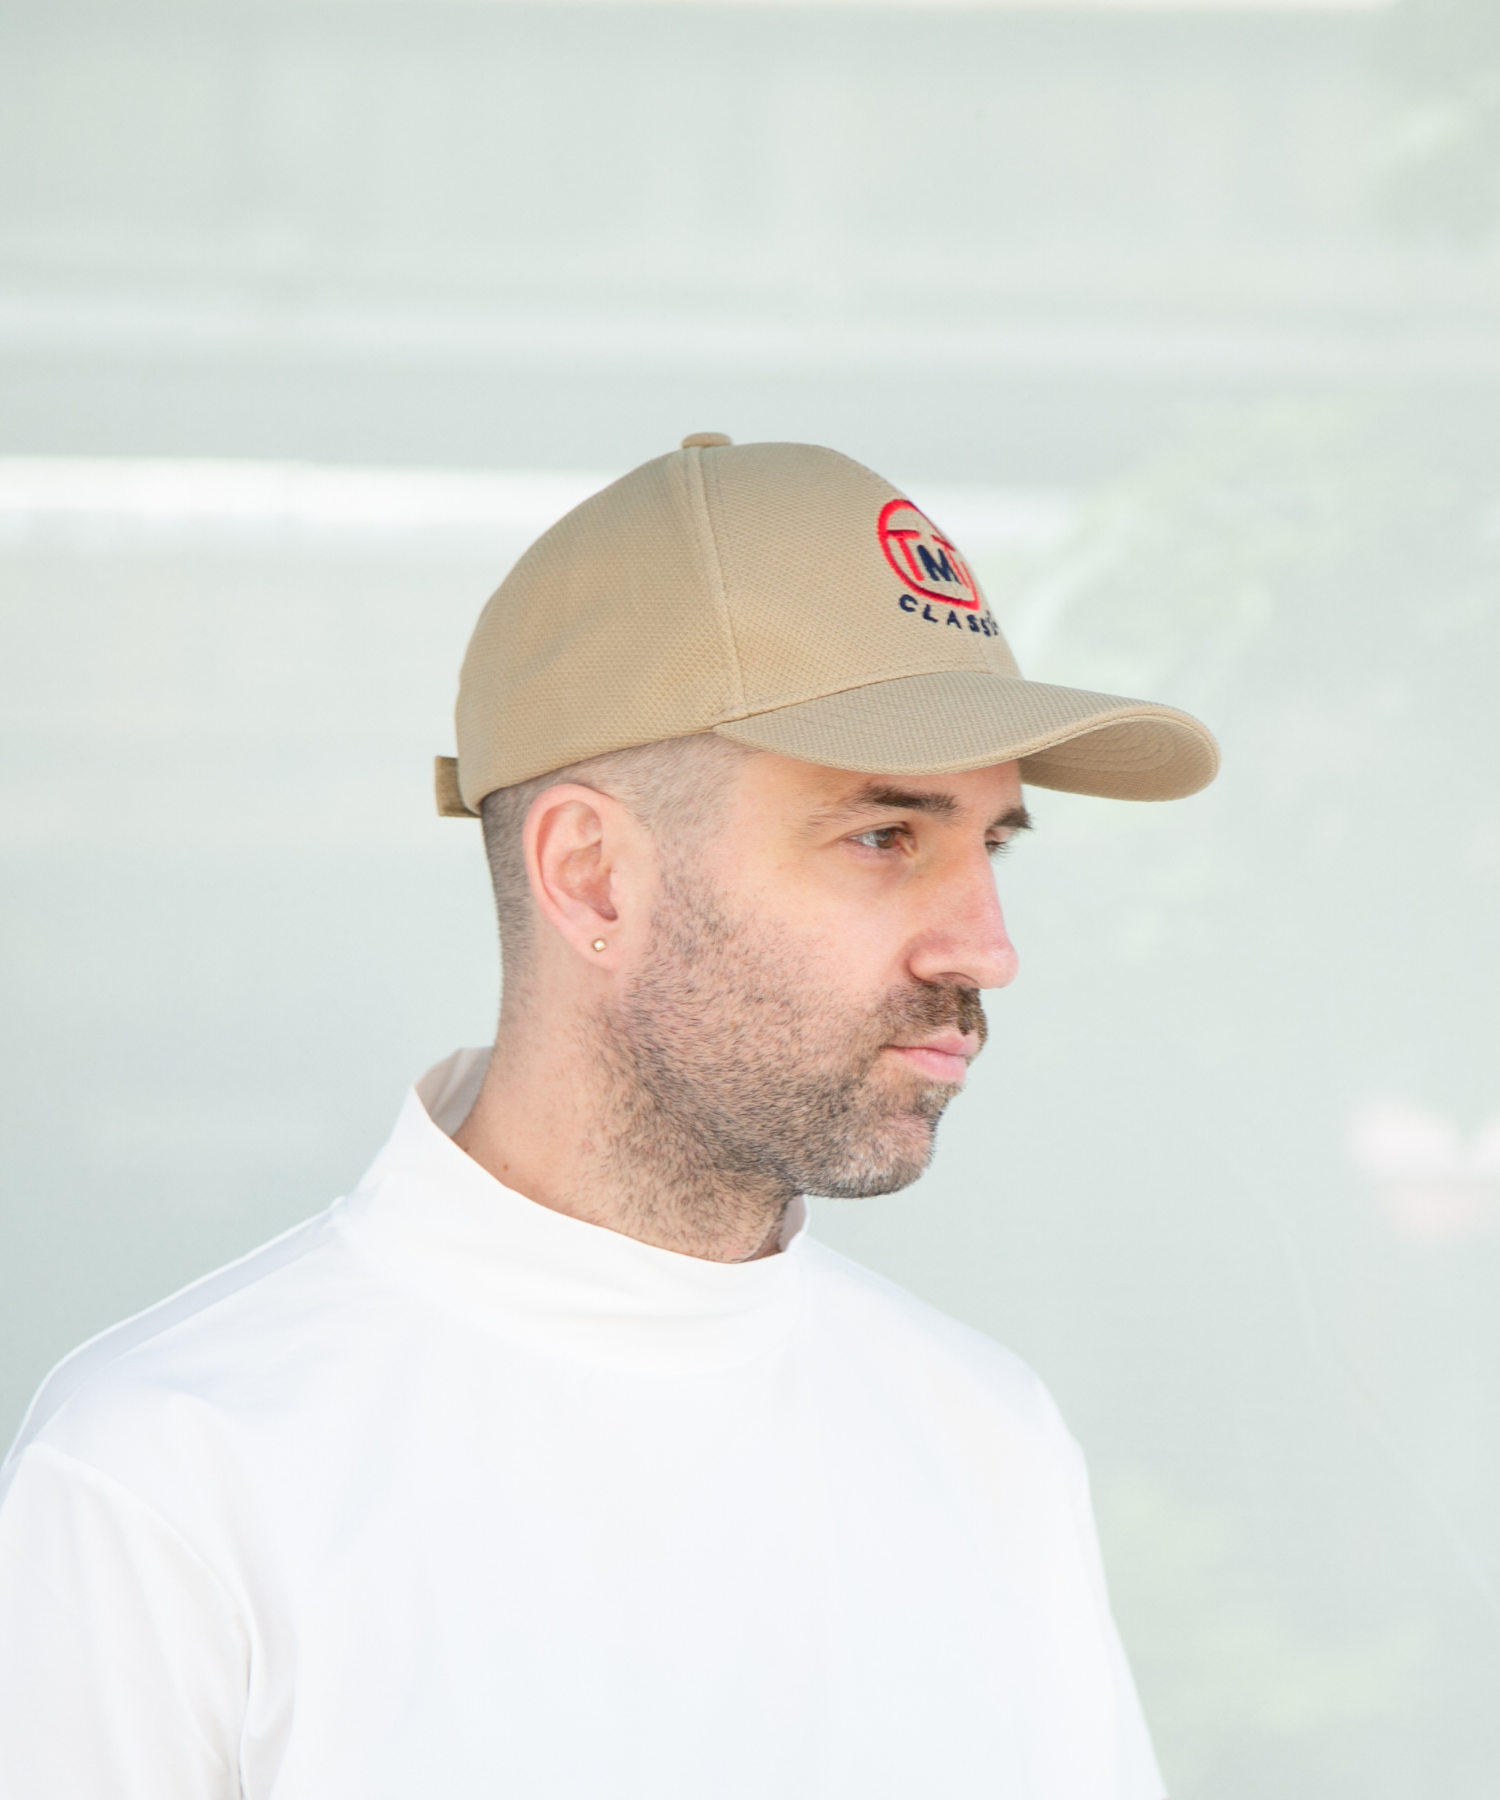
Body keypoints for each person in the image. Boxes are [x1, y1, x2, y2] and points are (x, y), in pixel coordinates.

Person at [0, 435, 1217, 1799]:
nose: (987, 949)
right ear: (591, 876)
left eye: (990, 845)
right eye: (886, 836)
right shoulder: (170, 1479)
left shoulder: (990, 1441)